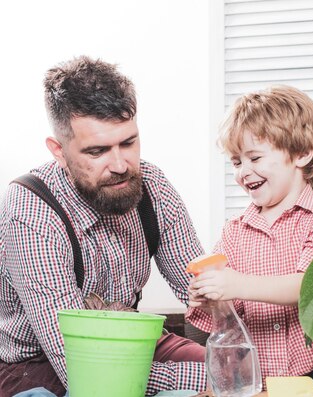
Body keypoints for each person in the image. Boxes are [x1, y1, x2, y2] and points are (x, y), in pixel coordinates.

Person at [0, 56, 207, 396]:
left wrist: (236, 360)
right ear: (59, 151)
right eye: (97, 151)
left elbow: (199, 292)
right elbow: (82, 369)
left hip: (137, 342)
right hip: (41, 365)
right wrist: (208, 379)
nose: (120, 165)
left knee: (244, 372)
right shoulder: (29, 210)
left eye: (128, 143)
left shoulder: (152, 184)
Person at [187, 85, 313, 388]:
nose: (243, 172)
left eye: (254, 158)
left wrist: (236, 283)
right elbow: (227, 311)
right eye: (236, 162)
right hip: (256, 381)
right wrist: (208, 295)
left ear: (302, 153)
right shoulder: (234, 231)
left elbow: (311, 285)